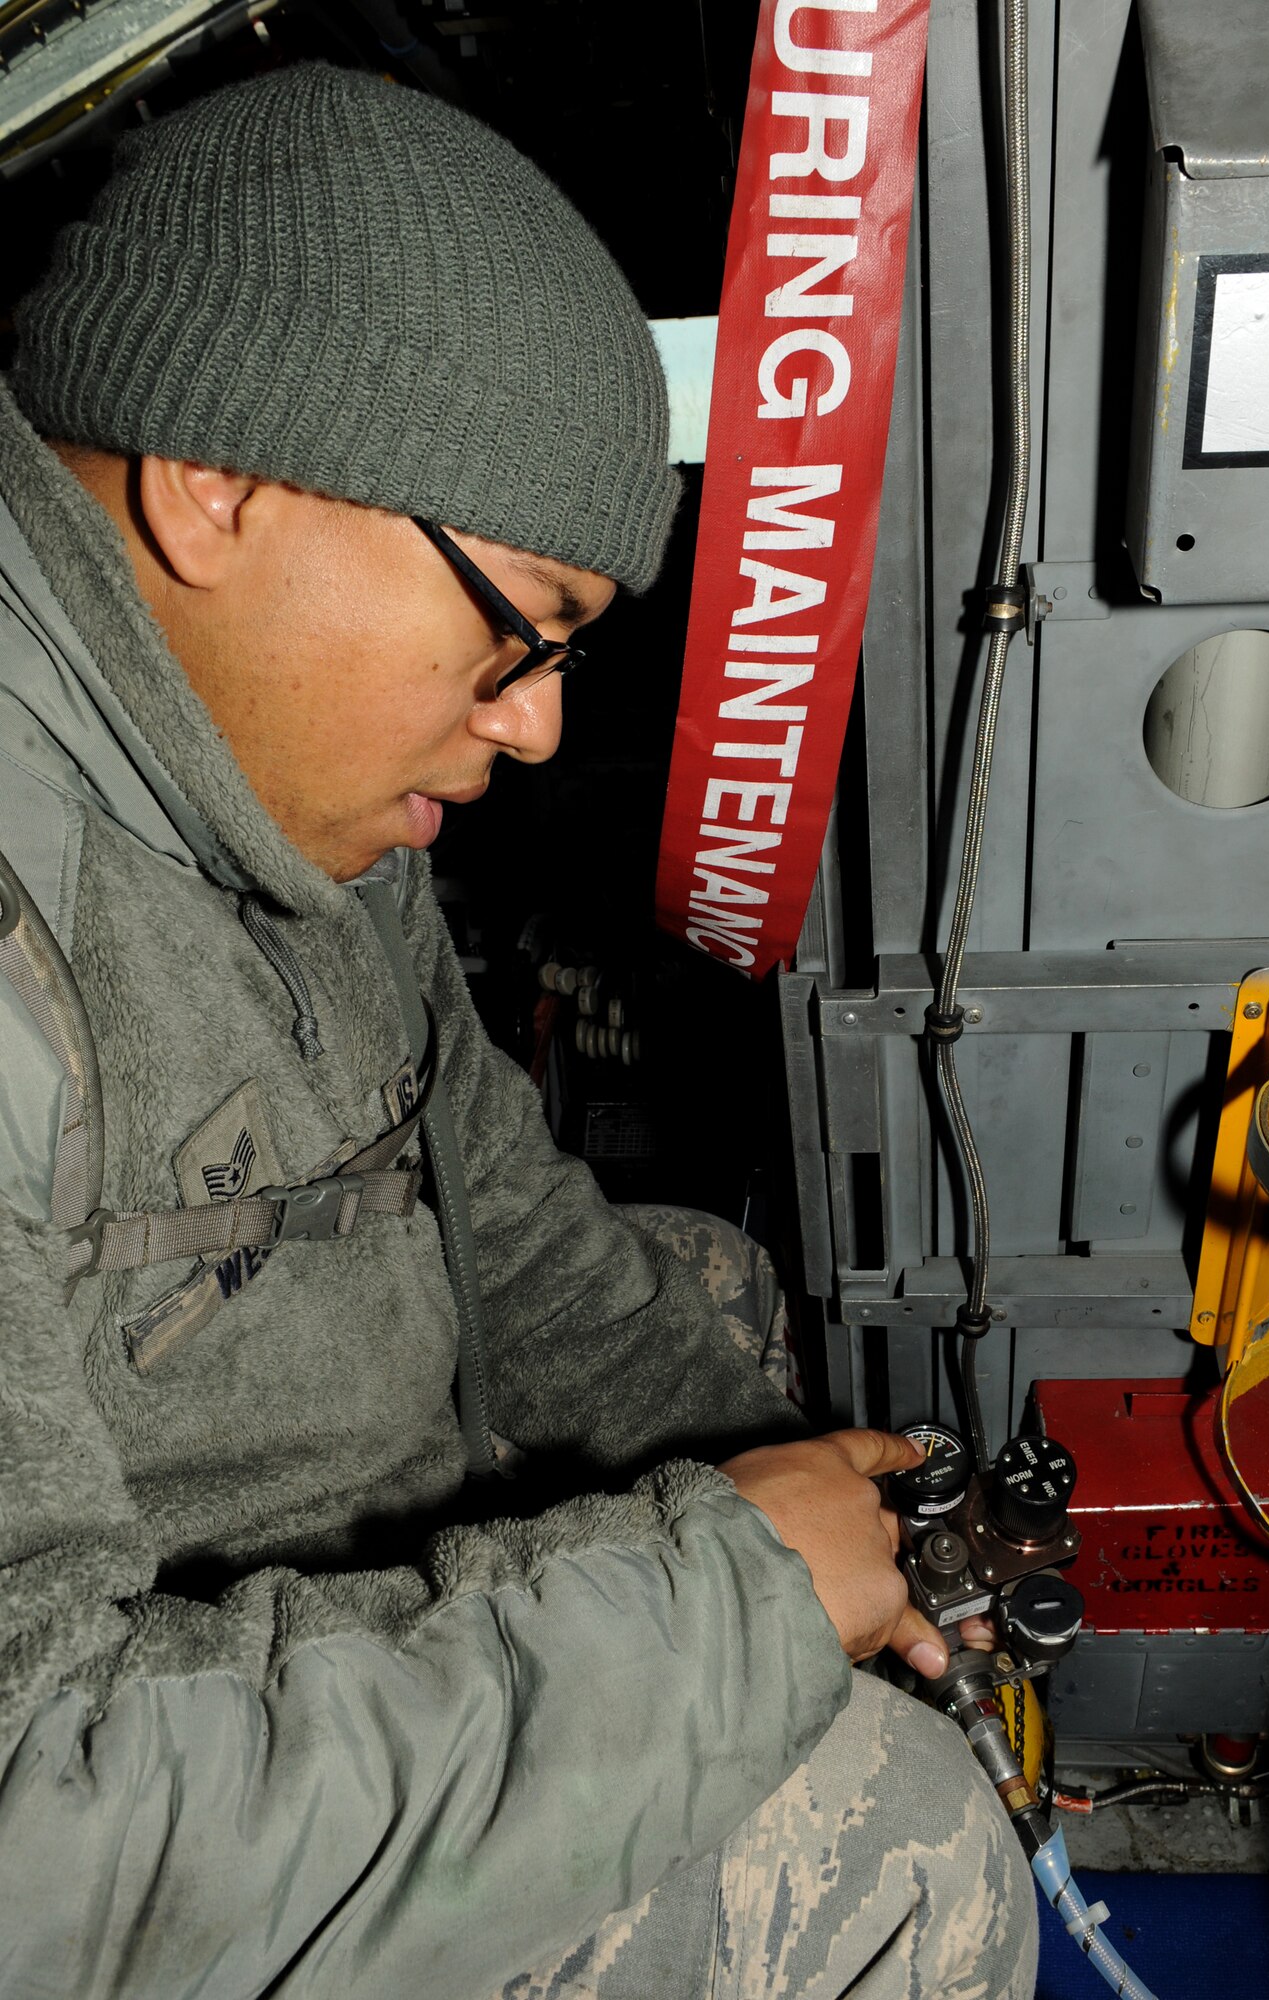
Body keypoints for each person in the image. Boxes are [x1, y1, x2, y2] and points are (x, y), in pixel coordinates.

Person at [0, 61, 1036, 1999]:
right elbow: (37, 1831)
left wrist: (805, 1496)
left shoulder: (266, 777)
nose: (540, 723)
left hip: (290, 1629)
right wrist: (722, 1600)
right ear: (220, 484)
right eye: (518, 632)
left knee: (711, 1300)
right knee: (882, 1848)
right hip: (137, 1811)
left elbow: (503, 1223)